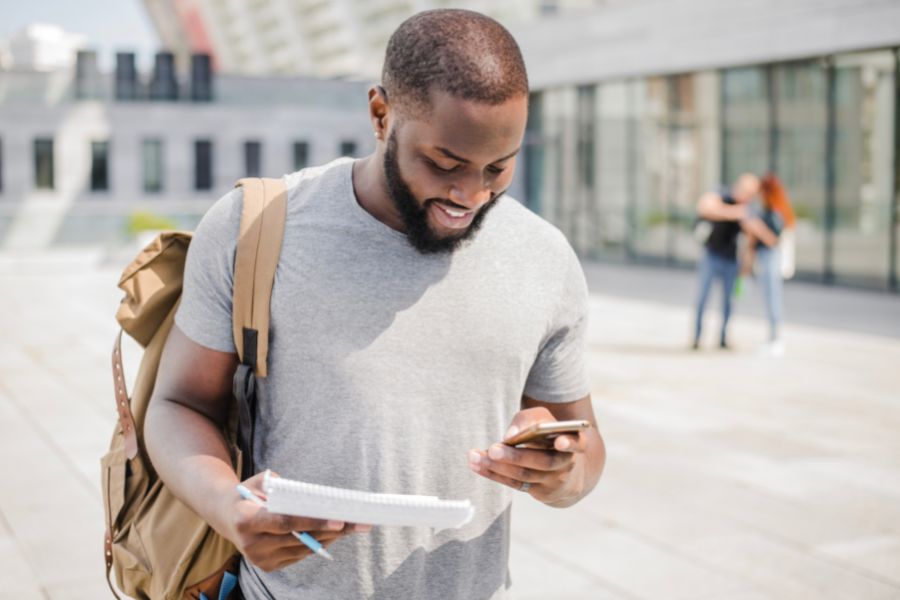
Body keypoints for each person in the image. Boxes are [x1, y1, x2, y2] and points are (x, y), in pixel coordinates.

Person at [145, 9, 605, 600]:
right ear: (380, 115)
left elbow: (587, 453)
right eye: (445, 164)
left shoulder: (545, 257)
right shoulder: (255, 226)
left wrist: (563, 473)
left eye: (499, 167)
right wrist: (228, 505)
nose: (471, 195)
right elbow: (179, 403)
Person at [692, 174, 775, 350]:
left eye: (752, 193)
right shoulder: (721, 194)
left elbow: (754, 239)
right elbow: (705, 207)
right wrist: (734, 213)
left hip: (731, 260)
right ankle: (697, 337)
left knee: (729, 301)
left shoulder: (749, 209)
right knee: (703, 297)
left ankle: (723, 337)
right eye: (746, 191)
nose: (748, 196)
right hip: (711, 255)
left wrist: (745, 268)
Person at [742, 173, 796, 356]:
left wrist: (758, 229)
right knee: (768, 299)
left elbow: (775, 241)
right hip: (763, 258)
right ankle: (772, 338)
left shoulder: (775, 213)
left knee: (773, 298)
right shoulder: (764, 211)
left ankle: (776, 339)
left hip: (771, 258)